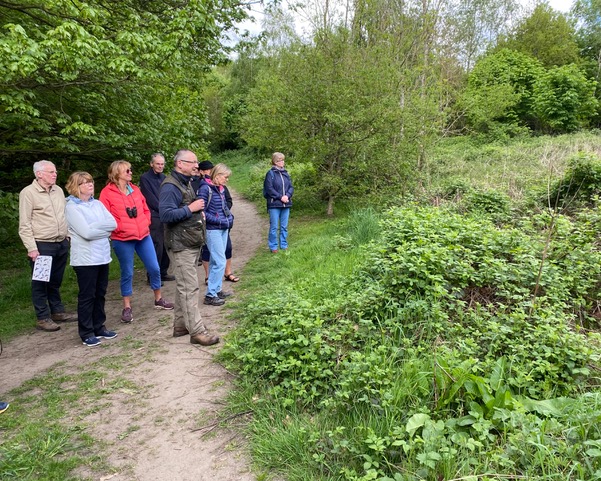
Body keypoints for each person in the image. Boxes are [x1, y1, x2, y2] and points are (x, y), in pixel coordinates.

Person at [99, 160, 173, 323]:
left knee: (154, 268)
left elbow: (145, 209)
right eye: (127, 170)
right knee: (128, 272)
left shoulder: (135, 189)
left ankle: (158, 299)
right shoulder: (107, 193)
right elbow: (104, 216)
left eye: (130, 170)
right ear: (116, 173)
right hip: (122, 238)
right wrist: (119, 228)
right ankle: (127, 307)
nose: (130, 172)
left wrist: (146, 222)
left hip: (143, 235)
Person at [159, 149, 219, 345]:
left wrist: (197, 212)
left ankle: (181, 325)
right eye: (192, 162)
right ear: (180, 164)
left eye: (196, 162)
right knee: (189, 288)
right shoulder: (170, 186)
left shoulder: (185, 182)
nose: (196, 165)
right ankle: (197, 332)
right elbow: (165, 215)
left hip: (189, 242)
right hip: (180, 245)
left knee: (184, 286)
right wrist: (190, 209)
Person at [19, 160, 77, 332]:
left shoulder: (57, 190)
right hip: (42, 244)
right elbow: (24, 224)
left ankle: (57, 311)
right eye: (51, 172)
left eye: (55, 171)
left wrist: (68, 236)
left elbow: (65, 214)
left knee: (56, 280)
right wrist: (31, 247)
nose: (55, 174)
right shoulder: (28, 193)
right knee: (40, 282)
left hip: (61, 242)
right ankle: (42, 317)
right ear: (39, 174)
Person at [65, 172, 119, 347]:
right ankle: (86, 332)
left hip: (102, 255)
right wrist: (102, 230)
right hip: (85, 259)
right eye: (85, 182)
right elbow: (86, 233)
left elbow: (113, 224)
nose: (90, 185)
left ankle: (99, 326)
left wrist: (95, 227)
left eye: (91, 181)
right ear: (76, 186)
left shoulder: (97, 204)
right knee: (87, 296)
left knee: (100, 293)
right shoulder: (72, 207)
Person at [198, 163, 234, 306]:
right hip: (212, 230)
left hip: (223, 228)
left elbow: (224, 207)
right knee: (220, 262)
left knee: (215, 261)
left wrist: (229, 218)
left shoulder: (220, 189)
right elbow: (201, 212)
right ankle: (210, 295)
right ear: (217, 175)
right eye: (225, 177)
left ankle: (217, 290)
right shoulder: (205, 189)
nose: (227, 180)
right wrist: (219, 221)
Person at [139, 153, 174, 284]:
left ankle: (163, 272)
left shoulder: (164, 178)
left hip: (166, 215)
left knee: (166, 244)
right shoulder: (145, 178)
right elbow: (149, 198)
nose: (160, 166)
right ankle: (153, 276)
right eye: (158, 164)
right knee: (156, 245)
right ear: (151, 164)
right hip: (154, 216)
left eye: (162, 164)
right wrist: (164, 209)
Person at [263, 152, 294, 253]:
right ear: (274, 162)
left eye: (282, 160)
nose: (281, 162)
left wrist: (287, 196)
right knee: (274, 227)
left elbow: (291, 187)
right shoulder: (270, 174)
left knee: (284, 227)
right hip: (274, 204)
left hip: (286, 204)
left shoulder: (286, 173)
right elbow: (269, 189)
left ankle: (284, 245)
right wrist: (280, 197)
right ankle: (273, 247)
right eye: (279, 160)